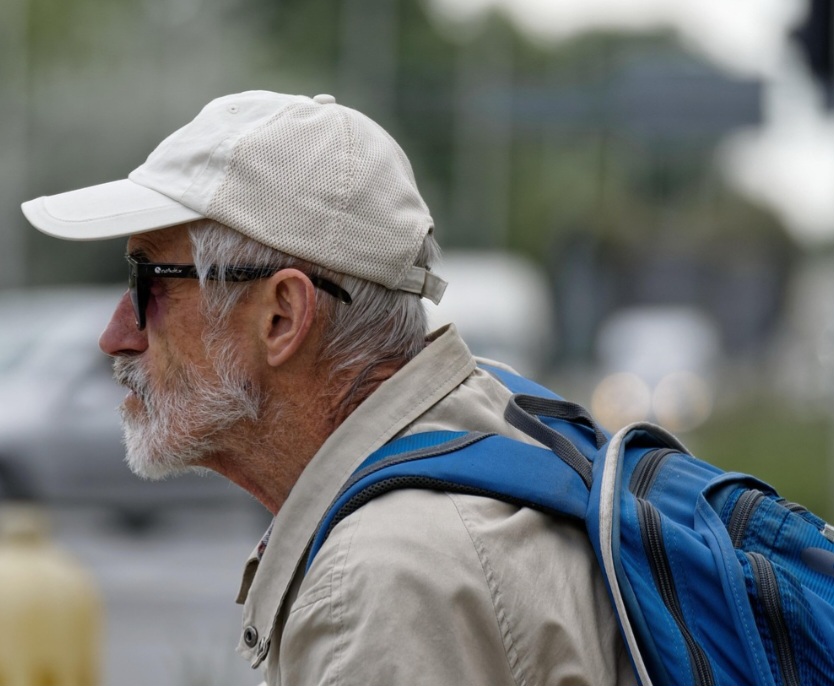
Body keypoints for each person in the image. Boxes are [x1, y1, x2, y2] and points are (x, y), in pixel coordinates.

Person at [21, 91, 635, 685]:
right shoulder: (495, 419)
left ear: (281, 316)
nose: (115, 334)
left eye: (148, 283)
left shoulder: (377, 582)